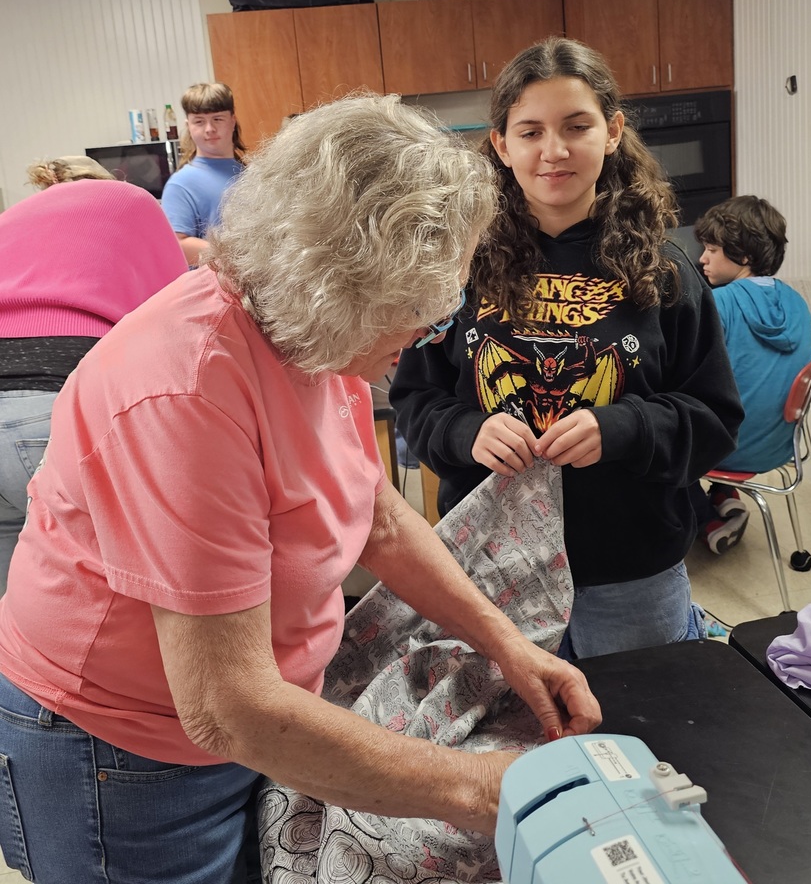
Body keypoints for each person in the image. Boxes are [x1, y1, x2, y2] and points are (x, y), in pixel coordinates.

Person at [0, 94, 601, 884]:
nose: (428, 336)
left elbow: (378, 516)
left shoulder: (312, 341)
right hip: (122, 756)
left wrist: (508, 644)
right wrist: (484, 788)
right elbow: (229, 707)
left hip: (238, 728)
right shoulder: (186, 391)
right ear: (341, 285)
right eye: (423, 309)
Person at [390, 37, 744, 661]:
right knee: (511, 746)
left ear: (611, 133)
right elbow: (415, 401)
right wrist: (466, 431)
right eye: (530, 132)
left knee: (645, 741)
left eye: (575, 127)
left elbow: (715, 421)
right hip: (491, 570)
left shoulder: (664, 272)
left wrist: (625, 426)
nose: (553, 151)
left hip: (632, 572)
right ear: (501, 144)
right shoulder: (456, 269)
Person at [0, 157, 186, 594]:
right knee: (95, 599)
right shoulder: (130, 203)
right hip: (48, 410)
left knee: (12, 627)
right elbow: (179, 310)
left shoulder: (15, 218)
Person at [692, 195, 811, 553]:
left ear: (743, 257)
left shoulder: (718, 303)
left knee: (659, 440)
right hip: (779, 446)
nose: (702, 258)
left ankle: (708, 522)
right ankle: (725, 494)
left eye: (712, 249)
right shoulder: (797, 302)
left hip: (731, 448)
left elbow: (686, 379)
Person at [160, 82, 247, 266]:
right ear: (189, 126)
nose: (209, 129)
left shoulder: (252, 173)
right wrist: (238, 259)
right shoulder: (181, 183)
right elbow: (178, 245)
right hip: (217, 289)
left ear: (232, 121)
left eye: (218, 119)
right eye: (199, 121)